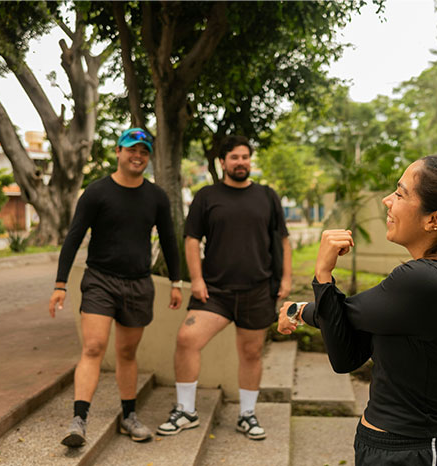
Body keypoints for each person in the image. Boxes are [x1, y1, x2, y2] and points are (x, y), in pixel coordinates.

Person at [278, 155, 437, 465]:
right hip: (386, 449)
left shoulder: (427, 280)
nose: (387, 201)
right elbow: (345, 351)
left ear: (434, 220)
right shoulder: (436, 277)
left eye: (400, 193)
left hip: (416, 454)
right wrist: (299, 308)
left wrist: (322, 274)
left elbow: (341, 314)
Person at [49, 127, 183, 448]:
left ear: (148, 157)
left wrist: (176, 282)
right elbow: (74, 237)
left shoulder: (156, 197)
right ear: (119, 152)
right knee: (93, 347)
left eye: (144, 151)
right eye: (131, 149)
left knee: (126, 352)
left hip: (138, 283)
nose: (137, 156)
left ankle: (129, 416)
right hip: (100, 280)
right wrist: (60, 283)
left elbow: (168, 241)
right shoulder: (96, 192)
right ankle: (79, 421)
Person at [156, 135, 292, 441]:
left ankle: (247, 414)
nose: (241, 162)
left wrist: (286, 278)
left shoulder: (267, 196)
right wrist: (197, 280)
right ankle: (186, 411)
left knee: (251, 352)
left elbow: (283, 239)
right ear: (222, 162)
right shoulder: (207, 196)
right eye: (234, 157)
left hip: (258, 289)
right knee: (187, 339)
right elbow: (192, 240)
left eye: (245, 157)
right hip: (214, 292)